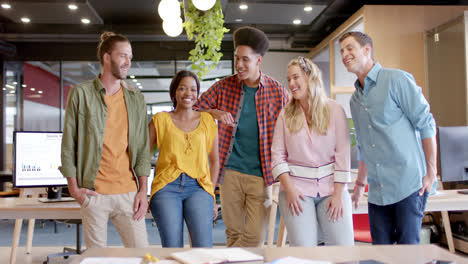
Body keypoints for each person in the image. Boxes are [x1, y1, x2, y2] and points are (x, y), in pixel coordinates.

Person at [194, 26, 289, 247]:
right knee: (233, 234)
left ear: (259, 61)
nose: (239, 65)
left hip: (261, 175)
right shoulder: (223, 87)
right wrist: (214, 112)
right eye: (237, 59)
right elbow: (192, 111)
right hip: (230, 175)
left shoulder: (277, 92)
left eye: (245, 60)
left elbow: (290, 132)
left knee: (254, 238)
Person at [339, 31, 437, 244]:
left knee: (407, 256)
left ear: (367, 50)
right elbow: (365, 146)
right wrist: (358, 186)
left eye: (349, 48)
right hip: (377, 192)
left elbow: (426, 123)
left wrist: (431, 172)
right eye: (341, 51)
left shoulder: (396, 79)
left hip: (408, 186)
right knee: (380, 255)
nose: (344, 54)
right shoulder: (355, 100)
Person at [60, 32, 151, 248]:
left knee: (142, 253)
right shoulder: (81, 94)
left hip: (128, 192)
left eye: (130, 56)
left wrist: (142, 191)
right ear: (107, 57)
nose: (128, 62)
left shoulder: (136, 99)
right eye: (123, 56)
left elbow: (143, 148)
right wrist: (74, 189)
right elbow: (68, 145)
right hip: (94, 193)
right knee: (97, 259)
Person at [271, 57, 354, 246]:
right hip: (296, 190)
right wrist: (290, 190)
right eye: (289, 79)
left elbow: (343, 154)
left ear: (310, 77)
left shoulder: (335, 110)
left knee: (344, 250)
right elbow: (277, 156)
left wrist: (338, 194)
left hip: (332, 189)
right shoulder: (285, 114)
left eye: (296, 77)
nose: (291, 83)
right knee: (304, 252)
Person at [148, 70, 220, 248]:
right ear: (174, 93)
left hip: (199, 187)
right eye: (182, 88)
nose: (188, 93)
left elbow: (215, 160)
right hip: (166, 187)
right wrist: (142, 190)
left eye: (193, 89)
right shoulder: (160, 120)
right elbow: (142, 157)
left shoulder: (207, 121)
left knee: (203, 248)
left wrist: (211, 194)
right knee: (172, 247)